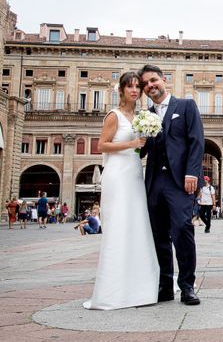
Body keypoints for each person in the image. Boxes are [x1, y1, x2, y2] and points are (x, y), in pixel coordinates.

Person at [83, 71, 159, 310]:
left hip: (135, 174)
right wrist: (133, 143)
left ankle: (138, 286)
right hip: (117, 175)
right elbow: (101, 145)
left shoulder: (139, 116)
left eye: (138, 86)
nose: (135, 90)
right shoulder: (114, 115)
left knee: (136, 226)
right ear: (122, 90)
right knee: (118, 227)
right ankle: (113, 289)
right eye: (130, 87)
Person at [140, 65, 205, 306]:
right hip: (155, 181)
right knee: (159, 236)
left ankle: (187, 285)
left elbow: (197, 142)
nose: (150, 86)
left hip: (180, 182)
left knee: (182, 230)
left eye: (153, 80)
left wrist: (192, 174)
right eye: (145, 83)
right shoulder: (145, 115)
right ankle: (164, 286)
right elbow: (141, 150)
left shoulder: (186, 106)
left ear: (163, 79)